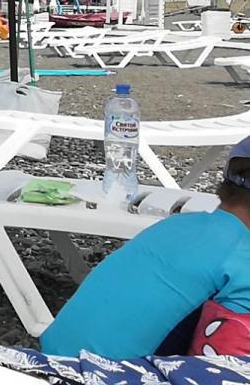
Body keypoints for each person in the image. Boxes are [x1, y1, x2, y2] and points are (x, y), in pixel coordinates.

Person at [40, 138, 250, 360]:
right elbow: (226, 367)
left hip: (49, 360)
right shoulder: (242, 260)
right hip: (102, 375)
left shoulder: (176, 225)